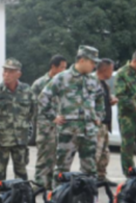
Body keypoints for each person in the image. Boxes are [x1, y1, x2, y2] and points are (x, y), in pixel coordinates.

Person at [40, 46, 105, 187]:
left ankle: (89, 197)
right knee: (62, 170)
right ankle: (57, 198)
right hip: (68, 132)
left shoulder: (93, 80)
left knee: (90, 170)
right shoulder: (62, 78)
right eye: (92, 62)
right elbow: (43, 97)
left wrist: (98, 117)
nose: (94, 66)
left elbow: (100, 99)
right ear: (82, 60)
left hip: (89, 132)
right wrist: (53, 117)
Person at [0, 58, 36, 194]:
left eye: (11, 72)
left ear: (19, 74)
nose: (6, 74)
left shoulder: (27, 90)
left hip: (20, 140)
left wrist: (21, 125)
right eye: (5, 71)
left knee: (21, 174)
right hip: (0, 141)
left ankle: (22, 201)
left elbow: (32, 112)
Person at [33, 55, 68, 190]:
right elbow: (35, 105)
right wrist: (51, 117)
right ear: (53, 67)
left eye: (65, 68)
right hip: (45, 126)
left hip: (61, 126)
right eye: (62, 67)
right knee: (44, 156)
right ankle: (39, 184)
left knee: (58, 157)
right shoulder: (40, 83)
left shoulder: (64, 83)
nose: (64, 70)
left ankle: (53, 185)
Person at [95, 59, 118, 185]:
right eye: (111, 69)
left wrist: (111, 100)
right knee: (96, 153)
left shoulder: (104, 84)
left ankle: (101, 176)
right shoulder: (93, 83)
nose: (112, 72)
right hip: (96, 124)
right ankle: (91, 178)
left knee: (104, 153)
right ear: (104, 69)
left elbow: (104, 100)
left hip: (105, 124)